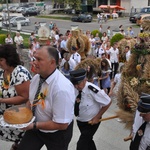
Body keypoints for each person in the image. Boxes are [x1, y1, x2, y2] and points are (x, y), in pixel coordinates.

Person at [18, 46, 75, 150]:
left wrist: (34, 125)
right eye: (34, 59)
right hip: (36, 127)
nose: (34, 63)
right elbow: (31, 101)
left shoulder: (62, 88)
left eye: (39, 60)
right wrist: (23, 115)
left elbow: (62, 124)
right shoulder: (36, 78)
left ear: (52, 63)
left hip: (57, 134)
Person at [70, 68, 111, 150]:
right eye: (74, 84)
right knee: (88, 141)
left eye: (78, 83)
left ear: (85, 80)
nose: (76, 86)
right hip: (81, 122)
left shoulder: (92, 89)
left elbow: (108, 102)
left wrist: (97, 117)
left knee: (81, 145)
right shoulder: (75, 88)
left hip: (92, 122)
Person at [0, 44, 32, 150]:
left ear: (9, 59)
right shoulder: (3, 72)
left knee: (21, 144)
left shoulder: (20, 73)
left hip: (18, 117)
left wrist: (2, 100)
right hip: (5, 115)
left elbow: (24, 97)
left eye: (1, 60)